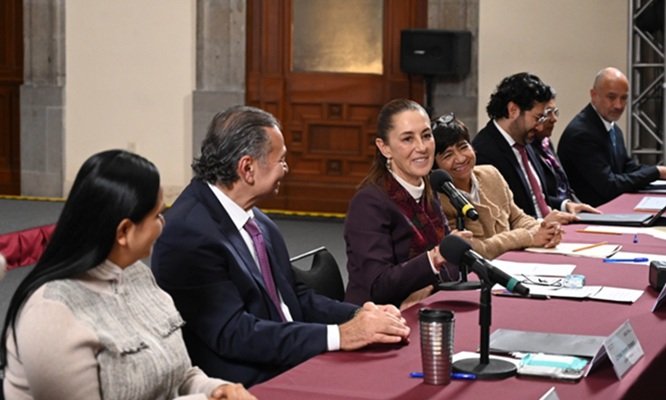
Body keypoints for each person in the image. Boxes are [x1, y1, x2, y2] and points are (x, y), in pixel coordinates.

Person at [151, 105, 410, 388]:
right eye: (282, 160)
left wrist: (359, 315)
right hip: (247, 383)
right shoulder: (188, 233)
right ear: (247, 168)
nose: (286, 169)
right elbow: (234, 334)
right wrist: (341, 335)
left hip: (291, 357)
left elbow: (294, 296)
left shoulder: (257, 219)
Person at [0, 150, 254, 400]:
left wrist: (214, 389)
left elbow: (178, 374)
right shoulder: (51, 314)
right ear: (124, 232)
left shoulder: (137, 274)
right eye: (157, 215)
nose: (163, 224)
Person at [344, 99, 468, 309]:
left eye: (426, 136)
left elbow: (451, 269)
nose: (422, 147)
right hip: (377, 317)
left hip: (426, 307)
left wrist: (430, 281)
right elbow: (377, 285)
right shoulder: (368, 203)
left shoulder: (429, 189)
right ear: (384, 148)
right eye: (408, 139)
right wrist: (435, 258)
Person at [432, 113, 562, 260]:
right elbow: (477, 249)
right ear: (435, 166)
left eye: (463, 147)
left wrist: (544, 229)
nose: (460, 158)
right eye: (448, 155)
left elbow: (517, 218)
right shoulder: (438, 200)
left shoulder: (490, 174)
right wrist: (528, 237)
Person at [472, 72, 577, 223]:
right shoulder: (484, 153)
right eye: (537, 118)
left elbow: (535, 198)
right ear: (513, 110)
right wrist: (542, 223)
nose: (540, 127)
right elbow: (499, 218)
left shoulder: (525, 140)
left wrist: (564, 205)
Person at [558, 67, 666, 207]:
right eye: (611, 97)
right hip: (591, 213)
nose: (618, 105)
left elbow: (628, 168)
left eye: (624, 98)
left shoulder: (612, 128)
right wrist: (656, 172)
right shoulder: (582, 134)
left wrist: (660, 171)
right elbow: (610, 187)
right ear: (594, 95)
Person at [529, 97, 600, 214]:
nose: (554, 119)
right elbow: (535, 197)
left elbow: (564, 186)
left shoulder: (545, 142)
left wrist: (578, 205)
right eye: (547, 113)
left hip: (569, 209)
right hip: (551, 215)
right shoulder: (525, 148)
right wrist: (565, 205)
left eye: (555, 112)